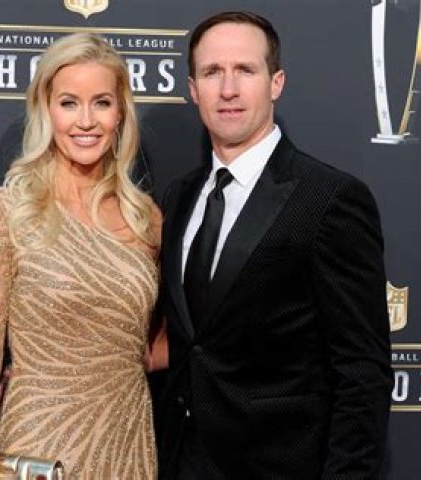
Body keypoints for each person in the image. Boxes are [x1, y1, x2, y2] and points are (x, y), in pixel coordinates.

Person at [155, 11, 393, 479]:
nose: (228, 89)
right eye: (212, 72)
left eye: (245, 70)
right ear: (193, 90)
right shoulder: (179, 198)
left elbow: (362, 372)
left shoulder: (329, 199)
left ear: (276, 82)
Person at [0, 33, 161, 480]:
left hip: (127, 444)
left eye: (101, 103)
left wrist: (137, 358)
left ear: (120, 112)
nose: (86, 121)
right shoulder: (4, 212)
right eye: (69, 103)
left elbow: (178, 334)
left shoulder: (145, 218)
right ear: (46, 109)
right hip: (39, 447)